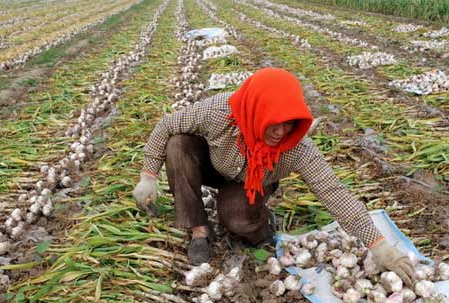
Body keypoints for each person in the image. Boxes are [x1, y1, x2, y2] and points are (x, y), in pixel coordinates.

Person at [133, 68, 414, 285]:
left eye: (289, 123)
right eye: (274, 121)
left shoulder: (297, 149)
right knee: (178, 144)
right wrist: (148, 175)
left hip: (251, 183)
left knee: (239, 221)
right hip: (213, 164)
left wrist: (378, 244)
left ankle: (262, 221)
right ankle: (199, 231)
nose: (281, 131)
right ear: (257, 110)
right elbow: (166, 125)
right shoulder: (220, 111)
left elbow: (333, 191)